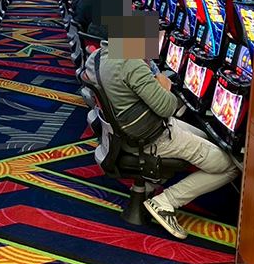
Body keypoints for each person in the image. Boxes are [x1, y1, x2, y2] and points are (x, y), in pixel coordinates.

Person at [86, 47, 239, 240]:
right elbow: (167, 108)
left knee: (204, 136)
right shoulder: (131, 63)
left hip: (125, 134)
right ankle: (166, 201)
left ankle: (149, 185)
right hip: (152, 137)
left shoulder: (97, 57)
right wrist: (165, 85)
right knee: (230, 166)